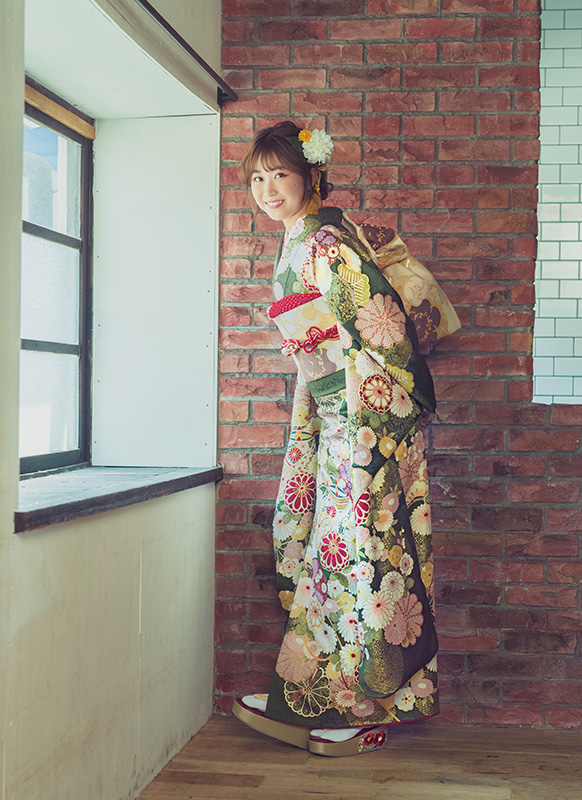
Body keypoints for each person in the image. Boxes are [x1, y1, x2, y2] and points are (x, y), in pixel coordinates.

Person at [232, 120, 460, 757]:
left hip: (368, 420)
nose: (267, 189)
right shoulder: (299, 241)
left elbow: (379, 327)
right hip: (338, 416)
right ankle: (313, 691)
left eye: (280, 174)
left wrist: (359, 417)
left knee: (369, 559)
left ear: (311, 175)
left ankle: (371, 707)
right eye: (257, 178)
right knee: (330, 556)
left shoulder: (326, 245)